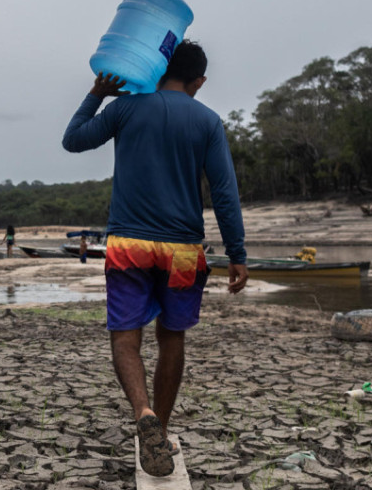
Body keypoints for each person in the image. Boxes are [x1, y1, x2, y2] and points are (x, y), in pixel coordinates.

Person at [62, 40, 249, 477]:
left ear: (159, 67)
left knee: (126, 337)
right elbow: (224, 193)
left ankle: (142, 413)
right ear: (199, 81)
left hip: (129, 245)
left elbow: (72, 140)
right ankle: (160, 431)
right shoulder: (207, 121)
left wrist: (97, 92)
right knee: (172, 338)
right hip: (183, 249)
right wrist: (237, 254)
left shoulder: (127, 107)